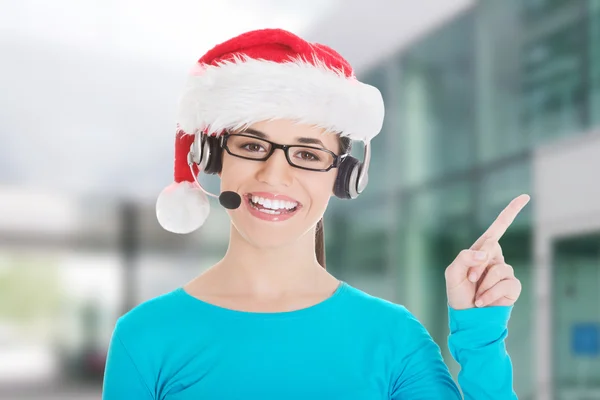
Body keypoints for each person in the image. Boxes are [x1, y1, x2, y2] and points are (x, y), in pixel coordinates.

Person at [102, 28, 529, 399]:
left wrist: (480, 335)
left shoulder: (393, 338)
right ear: (213, 158)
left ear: (343, 178)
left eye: (307, 154)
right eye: (252, 146)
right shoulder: (144, 337)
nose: (275, 174)